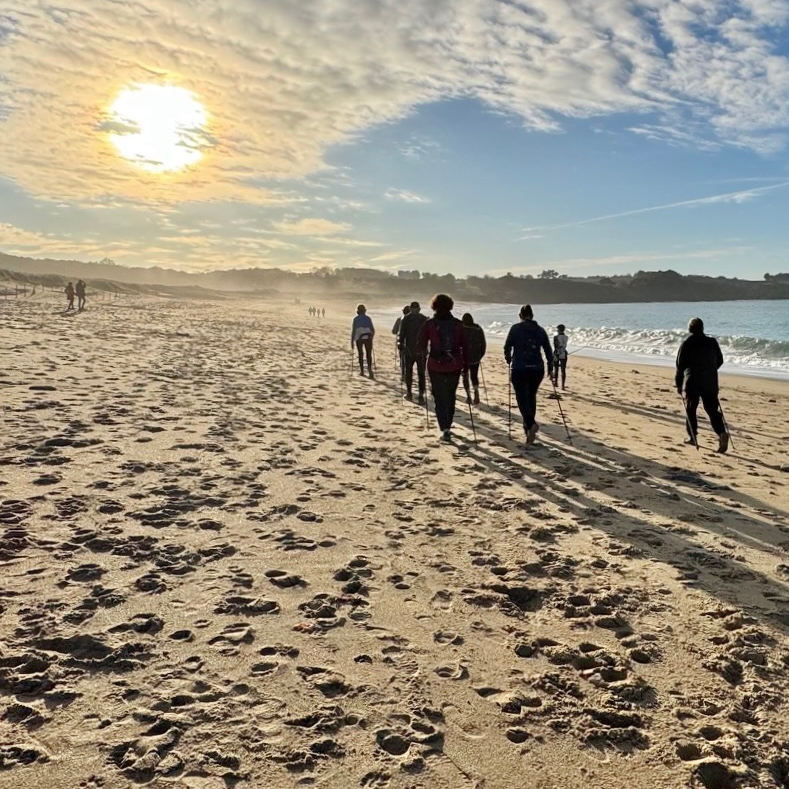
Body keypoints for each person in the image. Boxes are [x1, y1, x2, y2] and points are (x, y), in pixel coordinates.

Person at [417, 294, 467, 442]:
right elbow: (465, 345)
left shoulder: (429, 324)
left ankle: (444, 428)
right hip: (454, 364)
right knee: (450, 395)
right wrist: (466, 366)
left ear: (434, 306)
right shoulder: (458, 324)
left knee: (438, 396)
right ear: (450, 306)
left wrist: (423, 354)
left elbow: (420, 343)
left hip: (435, 365)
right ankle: (448, 425)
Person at [675, 317, 728, 453]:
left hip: (692, 380)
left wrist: (679, 383)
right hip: (709, 381)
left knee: (690, 408)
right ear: (702, 328)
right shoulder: (712, 342)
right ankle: (722, 433)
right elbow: (720, 360)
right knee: (712, 410)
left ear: (690, 329)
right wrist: (710, 370)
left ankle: (692, 436)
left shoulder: (687, 343)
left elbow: (680, 366)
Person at [504, 305, 553, 445]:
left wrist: (508, 359)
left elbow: (507, 346)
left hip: (520, 367)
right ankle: (528, 430)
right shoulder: (540, 330)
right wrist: (550, 367)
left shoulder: (515, 328)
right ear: (532, 315)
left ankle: (530, 424)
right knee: (531, 397)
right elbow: (548, 349)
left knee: (521, 398)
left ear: (520, 315)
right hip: (537, 368)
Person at [398, 301, 428, 404]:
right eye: (414, 309)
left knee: (409, 372)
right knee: (421, 374)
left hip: (409, 350)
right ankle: (420, 396)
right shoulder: (424, 319)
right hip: (421, 351)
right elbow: (428, 335)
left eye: (415, 309)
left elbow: (402, 334)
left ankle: (409, 393)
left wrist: (400, 344)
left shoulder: (405, 318)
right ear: (419, 309)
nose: (415, 310)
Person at [461, 313, 487, 406]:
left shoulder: (462, 329)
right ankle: (476, 390)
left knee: (465, 375)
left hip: (464, 357)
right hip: (475, 356)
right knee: (474, 376)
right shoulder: (478, 328)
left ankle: (468, 396)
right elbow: (483, 343)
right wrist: (480, 355)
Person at [351, 304, 375, 378]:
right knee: (368, 354)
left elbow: (354, 331)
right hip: (368, 337)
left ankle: (362, 371)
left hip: (359, 338)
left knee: (360, 354)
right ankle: (370, 370)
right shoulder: (368, 318)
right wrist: (371, 337)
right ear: (364, 311)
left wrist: (352, 341)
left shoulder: (356, 319)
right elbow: (372, 329)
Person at [552, 324, 568, 390]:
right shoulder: (566, 337)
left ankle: (556, 383)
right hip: (564, 353)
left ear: (558, 330)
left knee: (556, 369)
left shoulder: (555, 337)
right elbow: (564, 345)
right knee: (563, 370)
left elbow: (555, 347)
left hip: (557, 354)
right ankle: (563, 386)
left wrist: (555, 355)